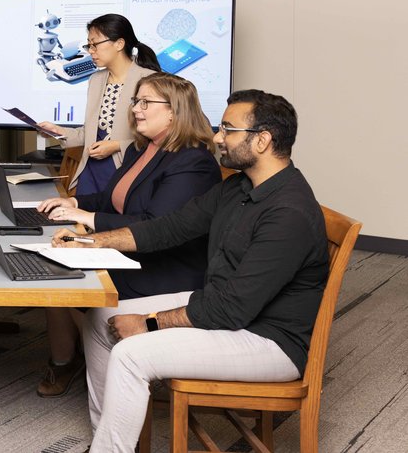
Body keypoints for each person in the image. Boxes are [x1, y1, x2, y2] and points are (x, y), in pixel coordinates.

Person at [52, 90, 329, 453]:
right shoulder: (239, 187)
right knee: (100, 319)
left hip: (268, 340)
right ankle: (113, 442)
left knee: (131, 353)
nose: (217, 137)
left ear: (262, 141)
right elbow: (169, 227)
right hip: (225, 308)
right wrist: (92, 242)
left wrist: (148, 322)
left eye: (228, 129)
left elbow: (232, 308)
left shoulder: (288, 212)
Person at [31, 73, 220, 397]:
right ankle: (71, 361)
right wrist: (74, 201)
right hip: (131, 253)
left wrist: (86, 219)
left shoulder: (193, 162)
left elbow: (156, 226)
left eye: (146, 102)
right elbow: (110, 199)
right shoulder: (141, 149)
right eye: (136, 101)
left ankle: (97, 379)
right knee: (53, 270)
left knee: (66, 278)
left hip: (166, 269)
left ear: (174, 111)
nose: (136, 109)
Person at [38, 14, 160, 195]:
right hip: (92, 169)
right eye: (89, 45)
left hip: (127, 169)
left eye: (95, 44)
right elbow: (90, 133)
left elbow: (162, 139)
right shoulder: (96, 79)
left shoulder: (149, 80)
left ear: (119, 44)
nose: (90, 51)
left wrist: (118, 145)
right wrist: (58, 131)